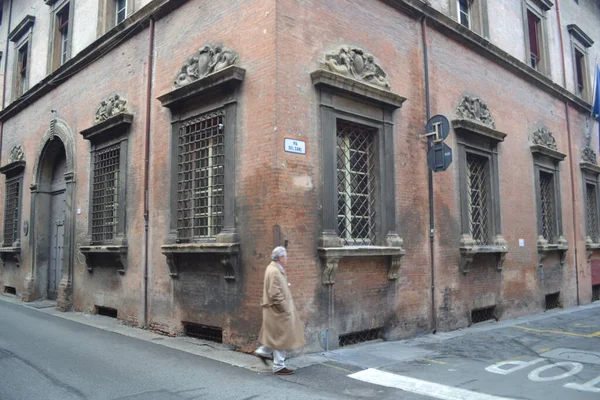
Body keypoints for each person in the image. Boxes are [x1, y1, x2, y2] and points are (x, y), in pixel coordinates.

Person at [254, 246, 305, 375]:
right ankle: (278, 366)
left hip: (276, 310)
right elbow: (275, 293)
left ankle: (263, 352)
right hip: (278, 311)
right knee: (282, 337)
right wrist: (285, 309)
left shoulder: (275, 269)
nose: (287, 259)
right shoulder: (274, 271)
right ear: (281, 258)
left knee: (278, 336)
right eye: (285, 256)